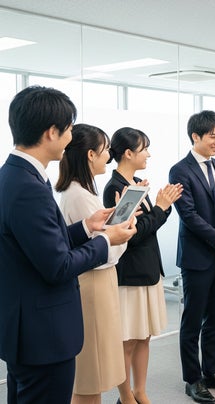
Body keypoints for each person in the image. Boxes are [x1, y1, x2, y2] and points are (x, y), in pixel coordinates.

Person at [0, 86, 136, 404]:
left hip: (25, 328)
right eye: (69, 129)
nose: (71, 137)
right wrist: (107, 240)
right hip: (43, 334)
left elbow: (37, 244)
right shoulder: (29, 187)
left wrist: (85, 228)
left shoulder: (14, 176)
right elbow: (58, 266)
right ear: (51, 132)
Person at [104, 127, 182, 404]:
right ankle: (125, 397)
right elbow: (131, 236)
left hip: (149, 270)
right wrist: (160, 207)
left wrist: (163, 205)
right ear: (128, 153)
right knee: (127, 341)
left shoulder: (136, 182)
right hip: (131, 275)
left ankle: (140, 391)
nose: (148, 154)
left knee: (144, 337)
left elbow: (149, 224)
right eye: (144, 148)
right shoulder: (115, 188)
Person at [169, 111, 215, 403]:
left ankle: (212, 371)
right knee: (192, 321)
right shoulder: (179, 170)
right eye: (213, 136)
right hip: (198, 256)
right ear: (195, 136)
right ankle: (192, 379)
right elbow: (188, 215)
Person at [56, 123, 132, 404]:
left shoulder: (81, 191)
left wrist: (117, 227)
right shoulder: (78, 195)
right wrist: (121, 234)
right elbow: (103, 251)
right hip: (92, 284)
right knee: (91, 374)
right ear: (90, 154)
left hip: (96, 283)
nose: (108, 157)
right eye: (105, 150)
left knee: (93, 371)